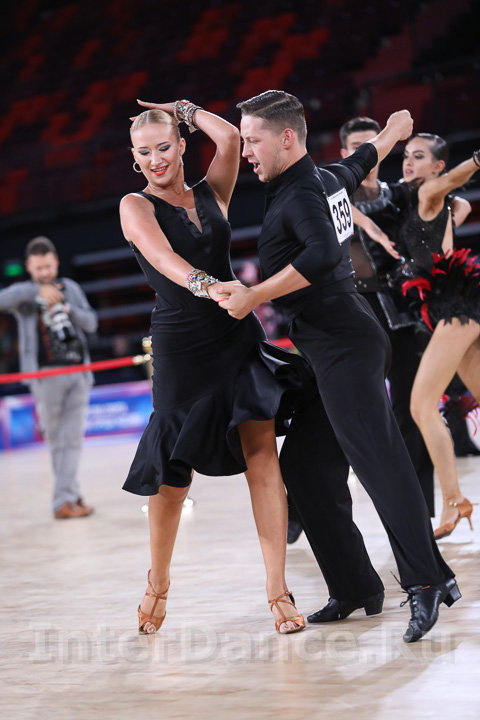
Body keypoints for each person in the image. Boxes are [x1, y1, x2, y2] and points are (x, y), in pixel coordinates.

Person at [216, 90, 458, 644]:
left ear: (286, 138)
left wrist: (254, 295)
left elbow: (323, 254)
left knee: (379, 463)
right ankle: (354, 587)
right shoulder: (322, 178)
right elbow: (359, 163)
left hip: (343, 344)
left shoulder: (302, 191)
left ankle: (426, 581)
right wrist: (392, 132)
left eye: (252, 140)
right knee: (305, 467)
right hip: (335, 343)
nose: (245, 151)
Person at [120, 99, 310, 635]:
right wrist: (209, 286)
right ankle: (158, 583)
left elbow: (228, 139)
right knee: (171, 480)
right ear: (134, 159)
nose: (155, 159)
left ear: (182, 145)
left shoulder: (212, 192)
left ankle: (278, 590)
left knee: (262, 457)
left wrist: (181, 108)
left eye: (164, 146)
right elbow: (163, 259)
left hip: (235, 337)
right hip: (182, 348)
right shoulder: (134, 205)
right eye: (143, 153)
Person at [397, 133, 480, 539]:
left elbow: (454, 186)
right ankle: (454, 501)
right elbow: (462, 204)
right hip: (456, 305)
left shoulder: (429, 192)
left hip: (454, 307)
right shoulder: (435, 201)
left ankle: (453, 500)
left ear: (438, 167)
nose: (408, 162)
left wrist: (476, 161)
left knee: (421, 406)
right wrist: (451, 214)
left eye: (419, 156)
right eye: (406, 156)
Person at [0, 236, 97, 518]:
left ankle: (68, 497)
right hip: (45, 375)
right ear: (29, 267)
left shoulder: (71, 287)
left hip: (78, 372)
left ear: (55, 261)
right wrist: (36, 291)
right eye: (38, 268)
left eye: (47, 266)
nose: (44, 272)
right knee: (57, 441)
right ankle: (65, 499)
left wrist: (69, 309)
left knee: (73, 439)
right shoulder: (25, 293)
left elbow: (91, 323)